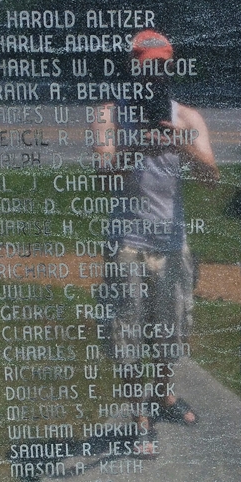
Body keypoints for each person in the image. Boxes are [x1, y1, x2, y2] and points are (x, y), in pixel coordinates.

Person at [92, 29, 218, 451]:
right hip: (127, 241)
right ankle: (139, 413)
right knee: (127, 332)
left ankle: (162, 395)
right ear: (134, 69)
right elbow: (103, 172)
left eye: (161, 67)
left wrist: (181, 146)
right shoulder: (110, 114)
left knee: (170, 331)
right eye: (147, 68)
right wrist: (136, 146)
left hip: (171, 241)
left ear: (171, 67)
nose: (154, 76)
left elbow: (212, 178)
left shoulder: (187, 118)